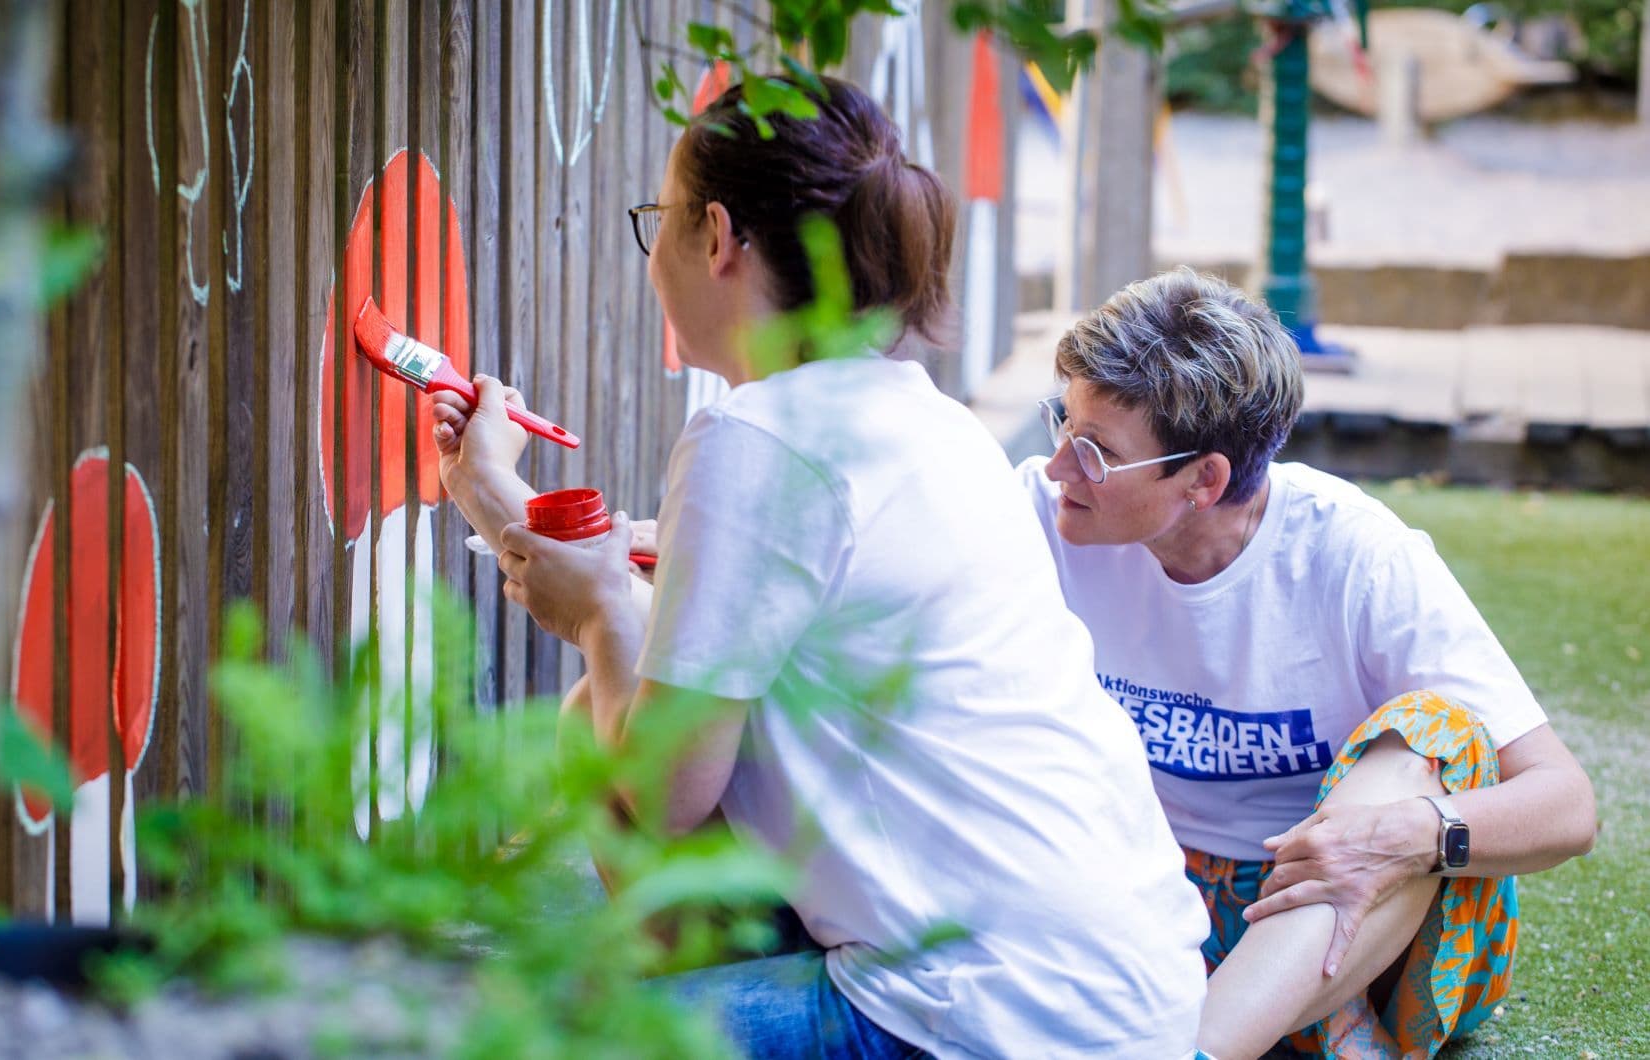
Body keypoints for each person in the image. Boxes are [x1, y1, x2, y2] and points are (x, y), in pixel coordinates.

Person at [431, 76, 1208, 1057]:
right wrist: (490, 491)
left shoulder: (754, 438)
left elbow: (663, 793)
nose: (657, 250)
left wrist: (596, 618)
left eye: (658, 220)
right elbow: (697, 648)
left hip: (981, 1018)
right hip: (1134, 998)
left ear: (716, 237)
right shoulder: (928, 419)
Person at [1016, 268, 1599, 1060]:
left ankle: (1202, 1048)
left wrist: (1404, 835)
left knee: (1441, 733)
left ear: (1203, 479)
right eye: (1061, 423)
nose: (1057, 467)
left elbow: (1565, 807)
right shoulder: (1036, 519)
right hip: (1138, 899)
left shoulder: (1354, 554)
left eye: (1092, 452)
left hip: (1328, 907)